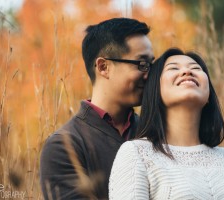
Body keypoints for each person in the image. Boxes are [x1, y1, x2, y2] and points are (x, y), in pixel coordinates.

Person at [109, 48, 224, 199]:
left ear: (208, 97)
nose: (187, 72)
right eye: (173, 68)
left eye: (195, 68)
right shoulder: (137, 153)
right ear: (155, 90)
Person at [40, 18, 154, 199]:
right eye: (142, 64)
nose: (149, 74)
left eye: (151, 65)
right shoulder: (65, 145)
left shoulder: (153, 132)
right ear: (104, 67)